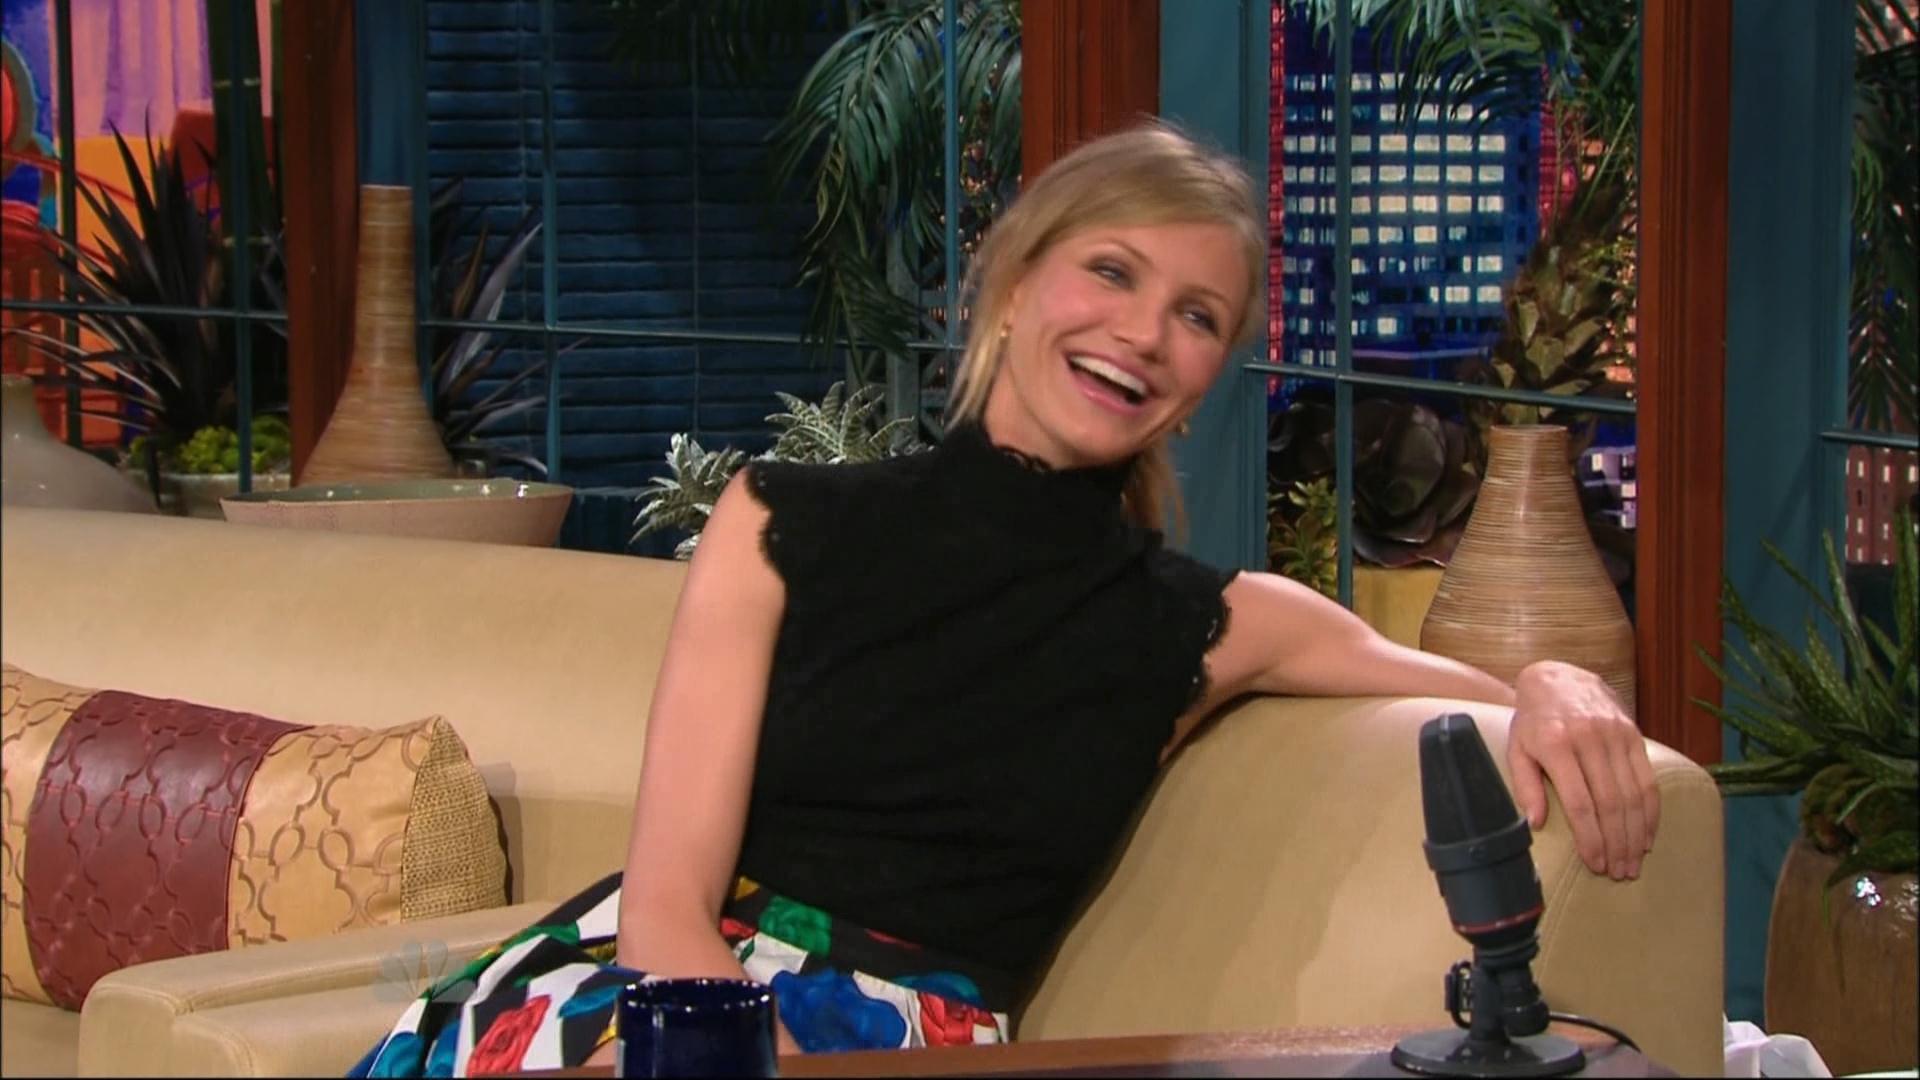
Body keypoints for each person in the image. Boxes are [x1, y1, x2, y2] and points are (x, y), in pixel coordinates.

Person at [353, 122, 1659, 1078]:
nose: (1143, 333)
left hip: (917, 1041)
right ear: (1017, 279)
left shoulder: (1214, 623)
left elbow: (1485, 689)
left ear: (1209, 378)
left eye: (1197, 316)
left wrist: (1558, 682)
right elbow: (666, 904)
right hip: (659, 993)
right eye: (1113, 273)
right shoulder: (781, 520)